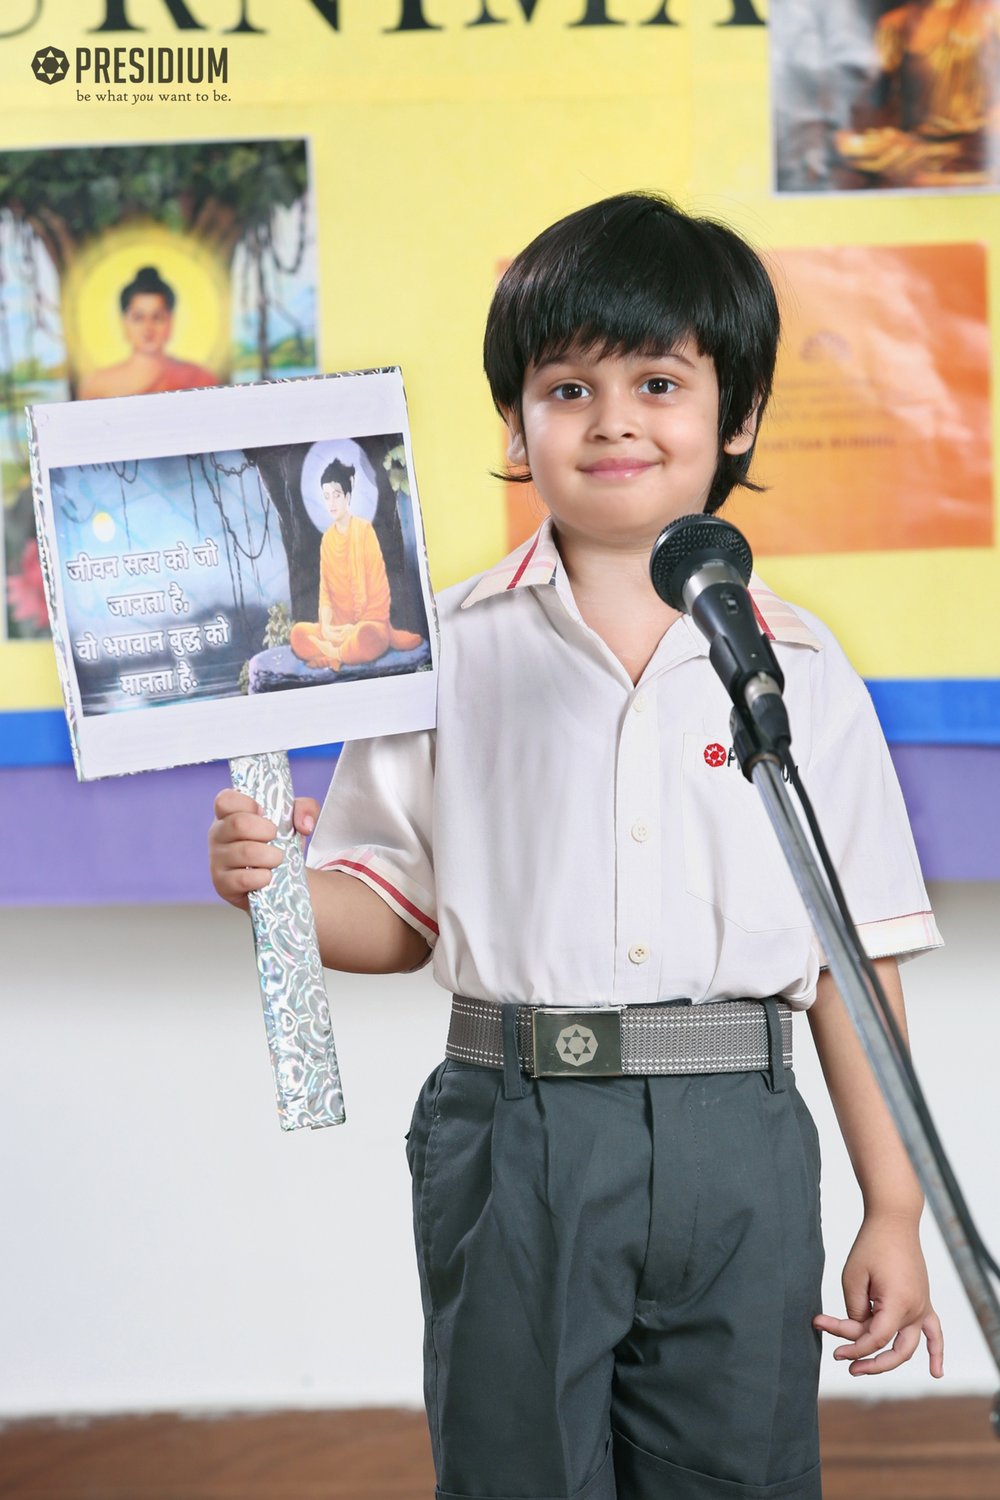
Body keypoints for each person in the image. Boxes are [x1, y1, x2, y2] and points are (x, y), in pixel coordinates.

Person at [209, 193, 944, 1500]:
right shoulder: (439, 655)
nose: (613, 419)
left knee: (742, 1472)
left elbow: (854, 961)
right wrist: (277, 890)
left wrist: (893, 1205)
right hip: (517, 1127)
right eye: (566, 386)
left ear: (740, 417)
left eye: (659, 380)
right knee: (517, 1469)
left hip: (740, 1134)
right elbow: (392, 921)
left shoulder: (805, 671)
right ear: (517, 423)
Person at [288, 457, 424, 671]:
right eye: (326, 497)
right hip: (337, 628)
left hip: (368, 624)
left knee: (367, 637)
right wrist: (326, 627)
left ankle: (335, 654)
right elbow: (325, 593)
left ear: (348, 496)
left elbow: (380, 591)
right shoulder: (327, 541)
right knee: (298, 635)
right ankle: (339, 651)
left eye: (337, 495)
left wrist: (355, 629)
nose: (331, 503)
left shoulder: (365, 531)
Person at [78, 265, 218, 400]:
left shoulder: (200, 378)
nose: (148, 328)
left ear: (171, 321)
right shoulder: (97, 385)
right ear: (124, 323)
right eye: (138, 318)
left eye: (157, 317)